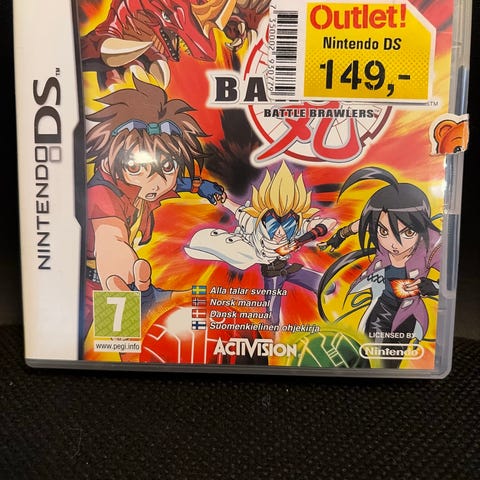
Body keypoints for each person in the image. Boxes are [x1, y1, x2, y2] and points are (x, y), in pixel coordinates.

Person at [84, 76, 225, 336]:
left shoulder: (141, 187)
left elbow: (171, 183)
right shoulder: (101, 193)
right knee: (111, 342)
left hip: (133, 287)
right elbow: (110, 236)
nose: (155, 183)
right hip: (98, 288)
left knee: (178, 314)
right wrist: (118, 268)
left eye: (167, 166)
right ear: (114, 157)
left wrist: (199, 186)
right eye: (135, 167)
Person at [185, 161, 336, 326]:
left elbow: (330, 223)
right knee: (272, 320)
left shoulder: (298, 223)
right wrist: (216, 195)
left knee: (329, 286)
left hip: (288, 269)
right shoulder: (253, 222)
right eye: (273, 225)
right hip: (272, 274)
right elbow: (231, 205)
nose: (280, 233)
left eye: (287, 226)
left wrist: (302, 239)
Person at [318, 166, 441, 367]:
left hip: (407, 313)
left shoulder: (431, 245)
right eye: (384, 231)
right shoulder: (378, 227)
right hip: (380, 307)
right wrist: (338, 237)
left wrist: (433, 286)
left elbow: (449, 278)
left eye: (408, 233)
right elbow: (359, 225)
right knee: (369, 353)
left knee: (389, 360)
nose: (393, 244)